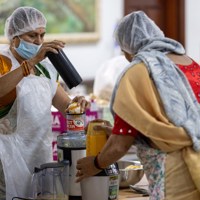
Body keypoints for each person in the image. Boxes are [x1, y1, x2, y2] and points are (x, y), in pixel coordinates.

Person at [76, 10, 200, 199]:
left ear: (127, 48)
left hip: (173, 174)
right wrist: (121, 132)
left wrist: (95, 164)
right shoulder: (190, 63)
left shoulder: (138, 72)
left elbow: (119, 146)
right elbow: (176, 121)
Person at [0, 6, 89, 200]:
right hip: (7, 157)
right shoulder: (3, 62)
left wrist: (77, 105)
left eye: (42, 35)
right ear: (14, 37)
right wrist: (31, 62)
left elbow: (65, 106)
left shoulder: (45, 69)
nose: (39, 41)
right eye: (32, 36)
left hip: (40, 155)